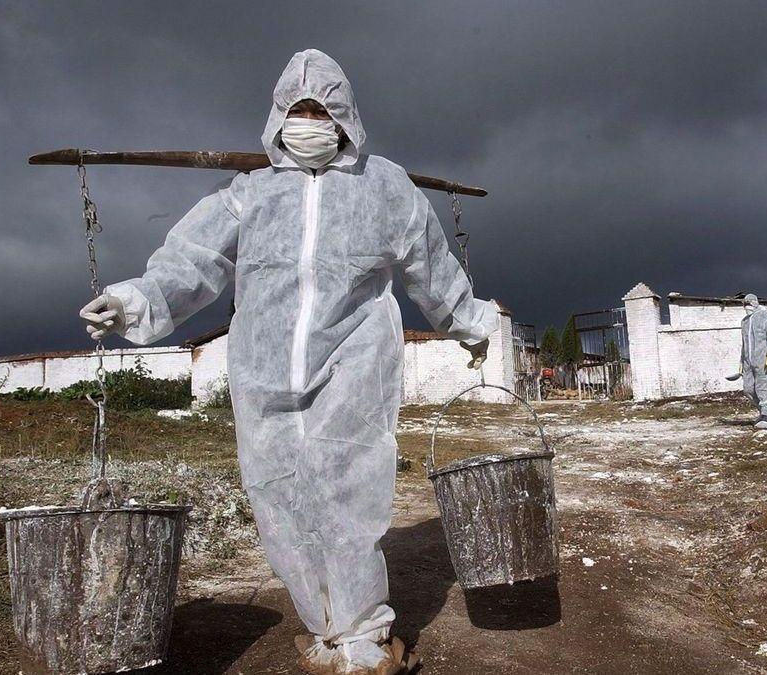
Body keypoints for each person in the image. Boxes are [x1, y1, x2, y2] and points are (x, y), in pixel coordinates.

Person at [79, 49, 497, 674]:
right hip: (264, 372)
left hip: (353, 361)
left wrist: (471, 322)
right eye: (298, 111)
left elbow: (430, 266)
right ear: (277, 119)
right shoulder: (250, 194)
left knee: (349, 493)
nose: (310, 121)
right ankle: (324, 627)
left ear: (345, 117)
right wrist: (133, 298)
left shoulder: (385, 186)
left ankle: (363, 635)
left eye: (322, 109)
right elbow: (192, 262)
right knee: (280, 496)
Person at [737, 293, 767, 429]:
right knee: (748, 389)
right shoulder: (745, 322)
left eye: (749, 303)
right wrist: (741, 361)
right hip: (748, 361)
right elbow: (744, 343)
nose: (747, 306)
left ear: (755, 303)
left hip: (764, 359)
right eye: (745, 304)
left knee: (765, 387)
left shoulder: (765, 316)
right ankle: (762, 411)